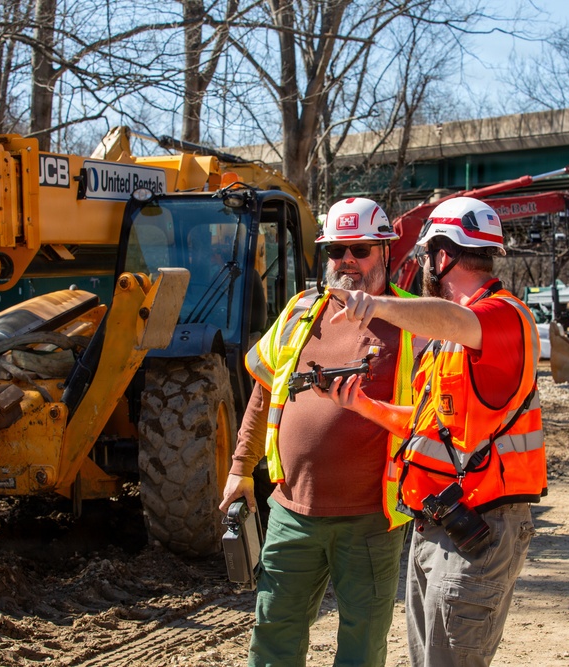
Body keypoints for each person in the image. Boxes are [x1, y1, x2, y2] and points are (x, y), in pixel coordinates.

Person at [314, 196, 546, 667]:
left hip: (480, 527)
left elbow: (461, 321)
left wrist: (374, 303)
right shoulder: (448, 340)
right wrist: (362, 403)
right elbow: (428, 430)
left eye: (424, 257)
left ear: (442, 257)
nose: (422, 266)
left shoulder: (503, 317)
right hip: (438, 523)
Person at [219, 197, 420, 667]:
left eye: (360, 248)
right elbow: (264, 392)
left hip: (372, 517)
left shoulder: (416, 319)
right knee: (274, 631)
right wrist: (239, 470)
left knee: (362, 641)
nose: (346, 260)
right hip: (292, 510)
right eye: (335, 250)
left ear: (385, 250)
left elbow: (445, 411)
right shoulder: (299, 311)